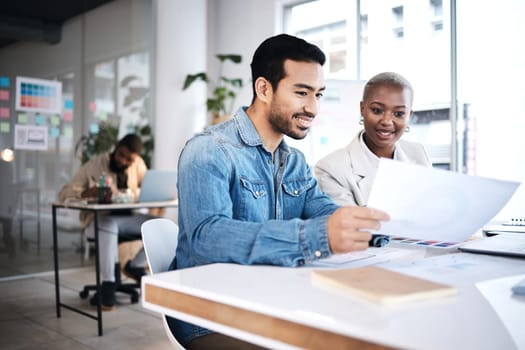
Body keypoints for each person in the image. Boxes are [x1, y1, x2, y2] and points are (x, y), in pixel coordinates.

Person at [170, 34, 389, 349]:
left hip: (271, 300)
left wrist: (367, 225)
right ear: (263, 89)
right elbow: (207, 238)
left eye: (318, 94)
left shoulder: (294, 161)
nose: (312, 108)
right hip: (209, 315)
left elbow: (324, 212)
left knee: (364, 329)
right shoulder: (208, 151)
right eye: (301, 92)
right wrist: (315, 236)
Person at [58, 133, 155, 310]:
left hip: (126, 220)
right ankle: (108, 284)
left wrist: (136, 194)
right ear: (116, 146)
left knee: (157, 225)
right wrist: (86, 193)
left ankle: (134, 266)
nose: (124, 161)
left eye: (129, 160)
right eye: (121, 155)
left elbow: (148, 186)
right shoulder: (95, 165)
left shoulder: (138, 164)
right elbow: (64, 192)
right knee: (108, 225)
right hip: (97, 222)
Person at [314, 72, 431, 208]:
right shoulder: (331, 169)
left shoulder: (418, 152)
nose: (386, 121)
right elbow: (350, 226)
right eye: (377, 110)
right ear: (362, 109)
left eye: (399, 114)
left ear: (409, 116)